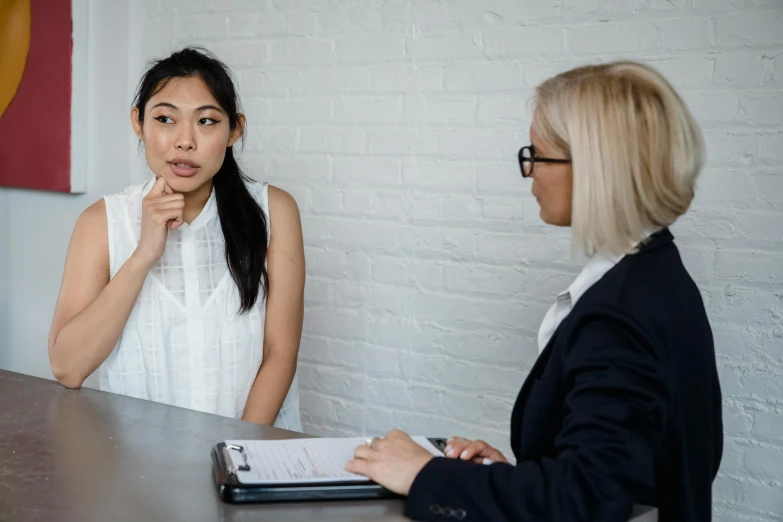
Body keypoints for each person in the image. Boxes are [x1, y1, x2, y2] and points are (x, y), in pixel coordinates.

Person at [346, 61, 723, 521]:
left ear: (594, 165)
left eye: (538, 155)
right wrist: (506, 479)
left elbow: (588, 499)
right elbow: (622, 470)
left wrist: (426, 473)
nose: (530, 173)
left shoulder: (620, 314)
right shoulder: (660, 277)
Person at [48, 48, 304, 431]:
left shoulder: (273, 211)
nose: (184, 141)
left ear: (234, 129)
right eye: (165, 118)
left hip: (246, 457)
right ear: (138, 122)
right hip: (134, 468)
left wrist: (235, 458)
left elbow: (279, 352)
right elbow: (67, 367)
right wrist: (143, 256)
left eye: (206, 121)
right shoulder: (102, 221)